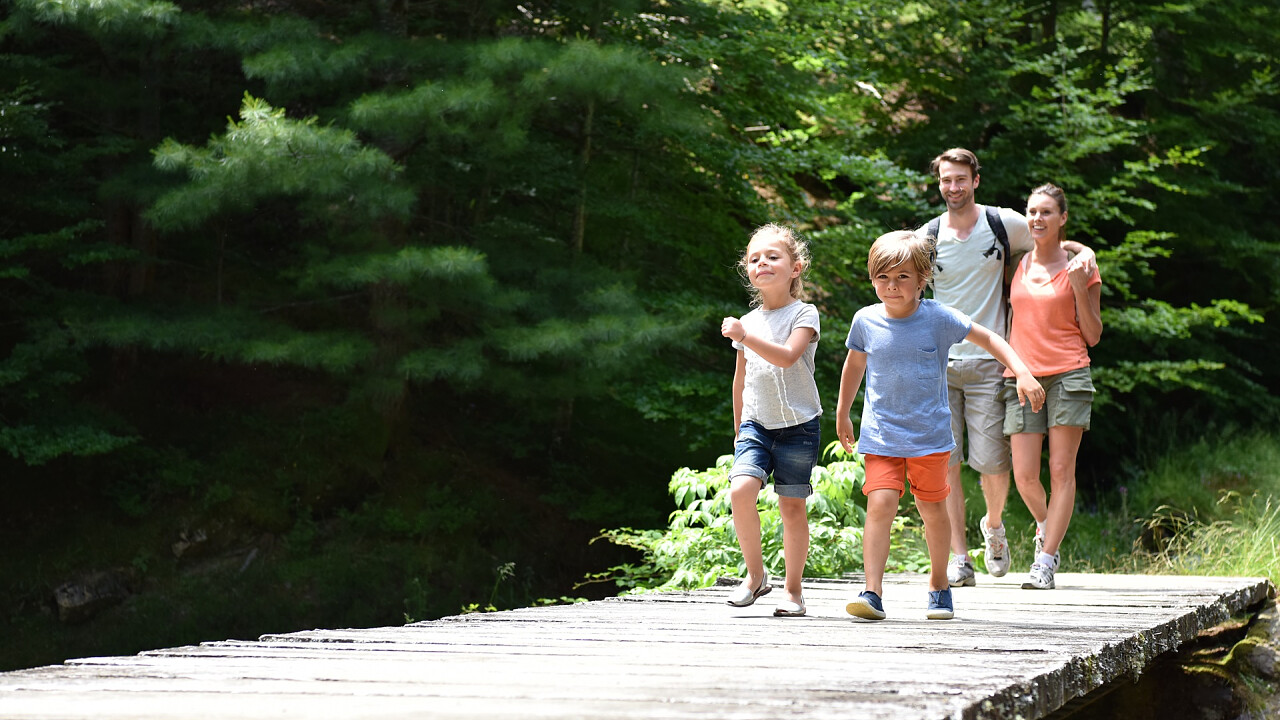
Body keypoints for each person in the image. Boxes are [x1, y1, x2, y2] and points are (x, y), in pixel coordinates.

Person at [837, 231, 1044, 621]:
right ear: (872, 278)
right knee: (880, 504)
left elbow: (989, 338)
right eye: (883, 277)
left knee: (932, 510)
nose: (892, 286)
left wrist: (1022, 372)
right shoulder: (865, 320)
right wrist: (843, 410)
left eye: (902, 277)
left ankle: (938, 585)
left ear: (922, 278)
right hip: (882, 434)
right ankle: (872, 593)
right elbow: (854, 365)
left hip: (929, 437)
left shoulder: (937, 317)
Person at [921, 148, 1096, 588]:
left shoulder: (1002, 224)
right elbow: (895, 277)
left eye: (961, 179)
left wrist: (1085, 251)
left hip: (996, 364)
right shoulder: (926, 236)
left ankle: (1007, 532)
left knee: (997, 467)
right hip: (946, 365)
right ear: (939, 183)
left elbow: (1051, 239)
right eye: (946, 180)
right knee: (952, 465)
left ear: (976, 180)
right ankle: (962, 557)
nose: (953, 187)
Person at [719, 223, 821, 618]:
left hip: (799, 425)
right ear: (748, 270)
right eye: (754, 258)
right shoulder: (749, 321)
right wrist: (738, 427)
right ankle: (756, 576)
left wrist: (744, 336)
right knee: (740, 491)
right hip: (756, 425)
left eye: (773, 256)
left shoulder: (804, 313)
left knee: (792, 507)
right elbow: (741, 379)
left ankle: (793, 592)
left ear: (795, 268)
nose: (763, 262)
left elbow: (786, 356)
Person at [1004, 184, 1103, 590]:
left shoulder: (1082, 267)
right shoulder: (1016, 263)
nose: (1037, 219)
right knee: (1025, 475)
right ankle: (1049, 529)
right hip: (1022, 376)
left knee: (1061, 470)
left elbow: (1094, 335)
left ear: (1062, 217)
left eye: (1047, 212)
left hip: (1069, 373)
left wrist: (1080, 283)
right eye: (1032, 212)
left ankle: (1045, 562)